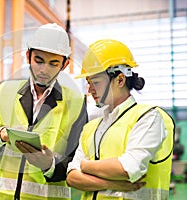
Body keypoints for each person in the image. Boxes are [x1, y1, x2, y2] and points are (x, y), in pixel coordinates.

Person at [0, 23, 88, 200]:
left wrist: (50, 164)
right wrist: (1, 135)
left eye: (53, 63)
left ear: (65, 64)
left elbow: (77, 162)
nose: (44, 70)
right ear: (28, 56)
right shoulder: (3, 92)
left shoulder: (76, 103)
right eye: (38, 60)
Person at [66, 39, 175, 199]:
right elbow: (71, 178)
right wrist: (111, 184)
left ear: (120, 79)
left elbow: (127, 168)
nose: (90, 90)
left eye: (95, 82)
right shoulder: (91, 127)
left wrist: (85, 165)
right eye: (88, 83)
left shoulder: (147, 117)